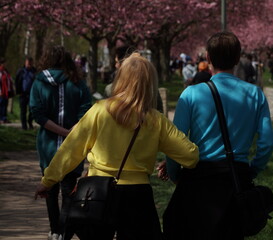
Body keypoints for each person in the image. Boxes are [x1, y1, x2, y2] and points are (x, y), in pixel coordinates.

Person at [34, 53, 199, 240]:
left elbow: (70, 150)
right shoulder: (155, 120)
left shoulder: (99, 111)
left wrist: (47, 181)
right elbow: (190, 156)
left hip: (98, 193)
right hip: (138, 196)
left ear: (120, 78)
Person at [162, 32, 273, 240]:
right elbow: (267, 142)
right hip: (236, 179)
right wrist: (252, 170)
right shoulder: (255, 94)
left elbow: (175, 143)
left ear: (208, 57)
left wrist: (175, 174)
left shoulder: (191, 94)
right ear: (237, 58)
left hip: (198, 179)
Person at [30, 45, 92, 240]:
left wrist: (60, 131)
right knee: (68, 191)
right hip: (73, 145)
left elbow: (37, 114)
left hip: (47, 144)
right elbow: (86, 111)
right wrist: (70, 132)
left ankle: (54, 230)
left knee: (49, 187)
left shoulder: (39, 82)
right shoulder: (78, 81)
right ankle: (63, 233)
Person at [15, 56, 36, 130]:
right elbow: (17, 82)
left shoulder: (34, 71)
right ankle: (24, 126)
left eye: (30, 63)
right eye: (28, 63)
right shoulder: (21, 71)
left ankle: (30, 122)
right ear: (25, 63)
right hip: (22, 94)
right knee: (23, 111)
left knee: (32, 110)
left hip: (32, 94)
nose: (29, 65)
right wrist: (18, 91)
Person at [0, 57, 14, 124]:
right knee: (1, 105)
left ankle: (4, 118)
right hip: (1, 92)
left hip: (6, 91)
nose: (6, 64)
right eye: (4, 63)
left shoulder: (5, 71)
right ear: (1, 64)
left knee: (5, 105)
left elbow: (9, 79)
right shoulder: (0, 71)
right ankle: (1, 119)